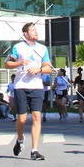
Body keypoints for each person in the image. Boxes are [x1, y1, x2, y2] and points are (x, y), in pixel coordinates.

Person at [5, 22, 52, 160]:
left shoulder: (43, 49)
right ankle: (20, 140)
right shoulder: (17, 47)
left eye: (36, 30)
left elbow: (49, 68)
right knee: (22, 119)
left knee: (37, 116)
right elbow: (7, 64)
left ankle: (34, 150)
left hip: (37, 86)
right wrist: (20, 63)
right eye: (33, 30)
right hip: (21, 86)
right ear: (25, 34)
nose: (36, 32)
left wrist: (39, 69)